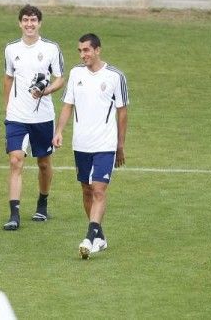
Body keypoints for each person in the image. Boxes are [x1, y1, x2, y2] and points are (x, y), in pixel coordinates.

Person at [52, 33, 129, 259]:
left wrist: (120, 145)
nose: (83, 54)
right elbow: (68, 105)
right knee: (86, 190)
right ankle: (99, 236)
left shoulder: (115, 76)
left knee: (98, 190)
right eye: (80, 51)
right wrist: (58, 131)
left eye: (86, 50)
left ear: (97, 50)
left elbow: (122, 112)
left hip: (105, 144)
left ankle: (89, 236)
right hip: (81, 144)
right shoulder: (76, 74)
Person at [2, 4, 65, 230]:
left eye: (33, 20)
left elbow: (59, 79)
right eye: (26, 20)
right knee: (15, 160)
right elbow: (8, 79)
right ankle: (14, 214)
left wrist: (46, 90)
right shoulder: (11, 49)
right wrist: (7, 108)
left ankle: (42, 203)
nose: (29, 24)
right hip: (17, 116)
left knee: (44, 163)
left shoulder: (50, 48)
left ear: (40, 23)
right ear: (20, 23)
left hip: (43, 117)